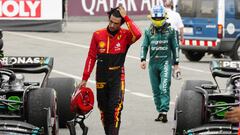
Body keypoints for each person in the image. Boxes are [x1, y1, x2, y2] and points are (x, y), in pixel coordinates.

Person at [78, 6, 141, 135]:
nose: (112, 25)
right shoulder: (97, 35)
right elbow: (91, 57)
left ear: (121, 24)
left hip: (117, 75)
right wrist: (85, 78)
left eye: (116, 23)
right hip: (101, 76)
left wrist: (127, 17)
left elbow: (138, 34)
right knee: (103, 109)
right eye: (110, 21)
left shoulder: (126, 36)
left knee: (115, 108)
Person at [140, 5, 180, 123]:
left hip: (165, 63)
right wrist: (142, 59)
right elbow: (144, 46)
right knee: (156, 91)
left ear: (164, 17)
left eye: (159, 18)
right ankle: (160, 111)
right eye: (155, 18)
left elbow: (175, 47)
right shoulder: (148, 31)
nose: (158, 21)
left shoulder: (171, 31)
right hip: (153, 65)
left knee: (164, 87)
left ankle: (164, 112)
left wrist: (176, 64)